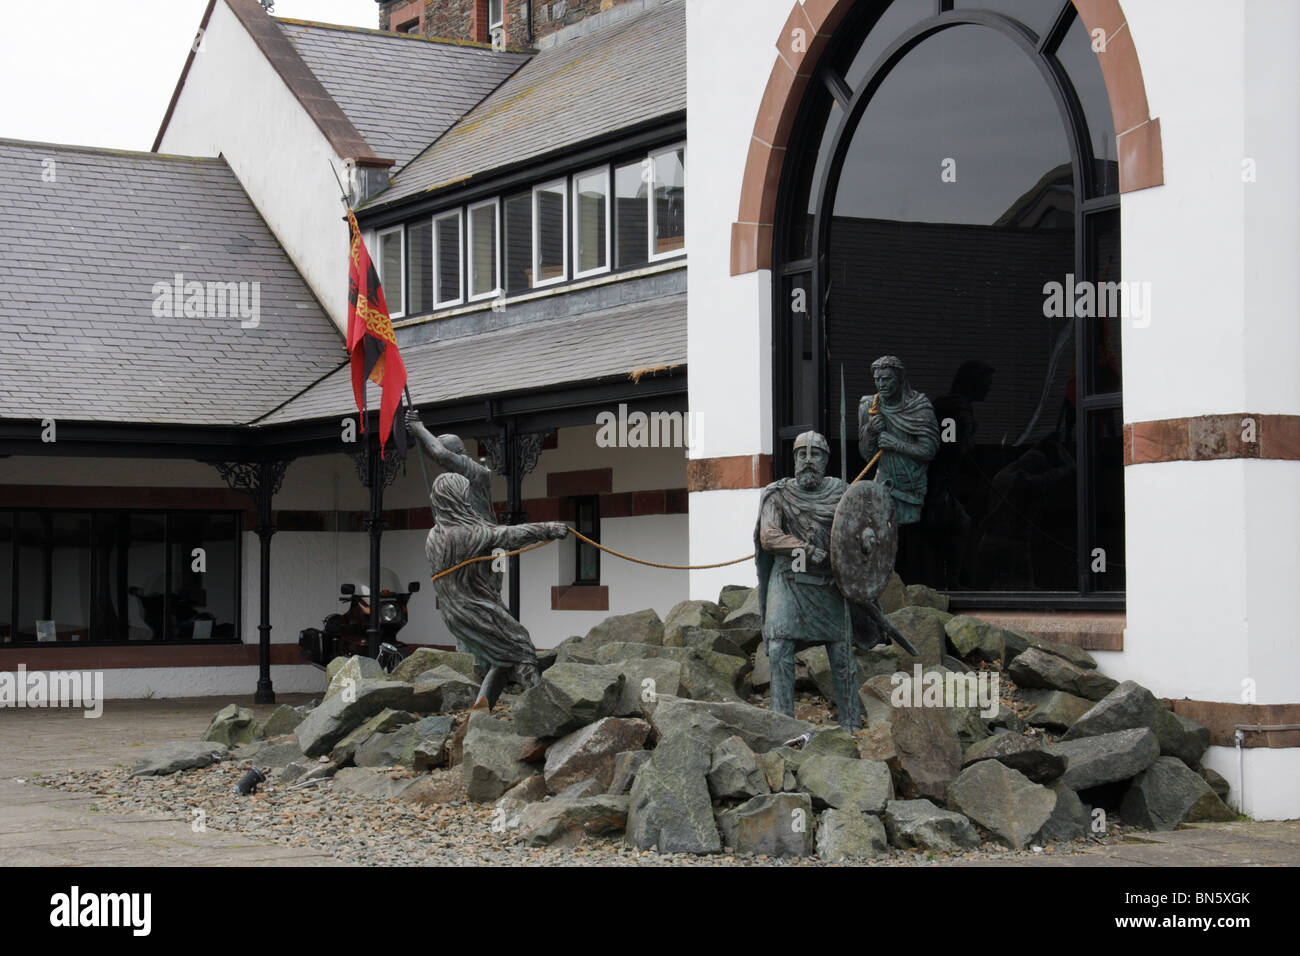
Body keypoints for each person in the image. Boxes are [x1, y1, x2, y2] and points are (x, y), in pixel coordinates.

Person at [425, 472, 568, 712]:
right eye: (465, 494)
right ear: (456, 498)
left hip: (455, 612)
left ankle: (481, 710)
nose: (469, 499)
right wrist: (549, 528)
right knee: (520, 647)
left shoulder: (434, 535)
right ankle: (547, 713)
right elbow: (506, 536)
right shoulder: (467, 533)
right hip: (475, 609)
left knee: (501, 658)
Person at [754, 431, 860, 729]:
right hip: (788, 580)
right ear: (795, 459)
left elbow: (862, 529)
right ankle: (782, 723)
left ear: (826, 460)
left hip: (828, 584)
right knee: (779, 649)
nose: (808, 461)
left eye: (815, 455)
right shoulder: (778, 494)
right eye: (802, 455)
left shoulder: (843, 494)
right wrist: (806, 549)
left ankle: (851, 725)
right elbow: (769, 536)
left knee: (841, 654)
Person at [858, 355, 940, 526]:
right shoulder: (869, 407)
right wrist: (871, 431)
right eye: (877, 379)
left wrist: (896, 444)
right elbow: (867, 455)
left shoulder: (919, 406)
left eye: (887, 379)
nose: (881, 384)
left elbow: (929, 450)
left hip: (912, 488)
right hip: (884, 484)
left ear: (900, 378)